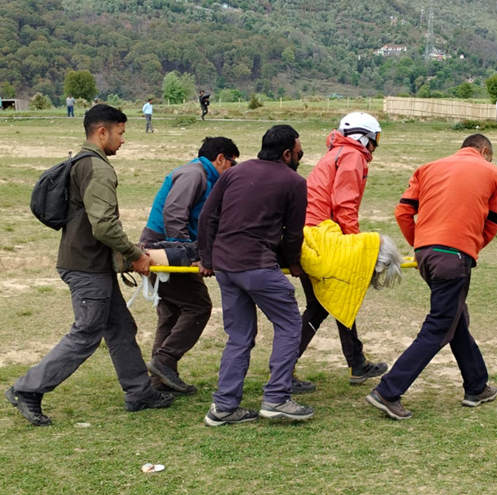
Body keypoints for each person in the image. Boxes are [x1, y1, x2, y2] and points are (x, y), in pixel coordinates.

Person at [4, 104, 174, 426]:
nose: (123, 140)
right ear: (102, 132)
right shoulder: (98, 168)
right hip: (87, 267)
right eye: (121, 133)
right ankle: (27, 389)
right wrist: (135, 255)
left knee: (121, 327)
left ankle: (140, 392)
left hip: (89, 264)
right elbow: (105, 227)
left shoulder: (80, 162)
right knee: (86, 334)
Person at [366, 134, 497, 420]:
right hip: (454, 257)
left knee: (455, 319)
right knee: (440, 326)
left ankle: (477, 385)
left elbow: (403, 211)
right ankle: (388, 391)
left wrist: (419, 245)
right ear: (484, 151)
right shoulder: (493, 173)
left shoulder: (428, 168)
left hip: (427, 255)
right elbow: (492, 224)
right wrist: (470, 248)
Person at [198, 125, 313, 425]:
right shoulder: (295, 182)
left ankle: (223, 406)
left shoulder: (234, 173)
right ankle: (276, 397)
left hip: (225, 266)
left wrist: (208, 259)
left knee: (239, 336)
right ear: (287, 153)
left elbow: (208, 217)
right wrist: (295, 264)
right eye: (299, 153)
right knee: (289, 325)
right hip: (257, 267)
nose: (300, 158)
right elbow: (293, 234)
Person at [293, 112, 389, 393]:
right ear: (364, 137)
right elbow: (344, 205)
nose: (375, 146)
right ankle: (283, 368)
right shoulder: (352, 155)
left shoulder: (340, 151)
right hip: (319, 234)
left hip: (313, 231)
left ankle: (356, 361)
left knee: (340, 295)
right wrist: (357, 247)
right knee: (320, 305)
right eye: (376, 139)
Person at [139, 137, 240, 395]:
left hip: (167, 246)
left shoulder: (203, 175)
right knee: (198, 306)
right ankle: (164, 362)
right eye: (232, 162)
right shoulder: (194, 173)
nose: (233, 167)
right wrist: (187, 253)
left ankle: (159, 380)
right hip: (165, 247)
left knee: (171, 311)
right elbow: (174, 214)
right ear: (220, 158)